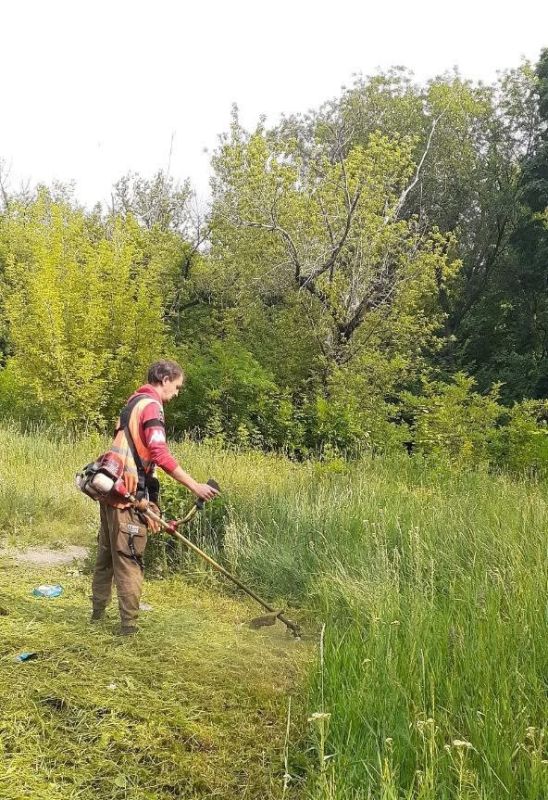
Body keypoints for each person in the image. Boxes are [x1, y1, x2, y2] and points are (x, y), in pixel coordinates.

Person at [90, 359, 219, 634]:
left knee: (107, 557)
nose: (178, 392)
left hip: (111, 490)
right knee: (129, 559)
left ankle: (97, 615)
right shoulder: (151, 407)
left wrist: (154, 498)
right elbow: (159, 455)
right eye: (177, 385)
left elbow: (141, 455)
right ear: (164, 379)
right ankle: (129, 628)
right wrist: (194, 486)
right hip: (127, 496)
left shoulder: (132, 403)